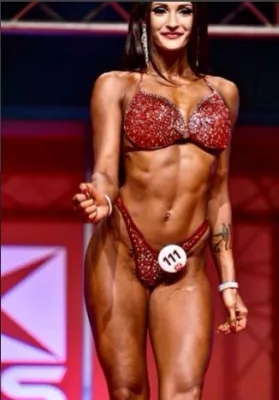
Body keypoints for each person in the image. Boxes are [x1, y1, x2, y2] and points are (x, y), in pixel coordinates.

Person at [72, 2, 248, 399]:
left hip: (187, 264)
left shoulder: (223, 94)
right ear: (143, 19)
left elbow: (219, 192)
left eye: (183, 11)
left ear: (196, 20)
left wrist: (229, 281)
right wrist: (100, 199)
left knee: (185, 392)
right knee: (128, 391)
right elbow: (105, 171)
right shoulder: (116, 86)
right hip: (122, 255)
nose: (172, 22)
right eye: (160, 10)